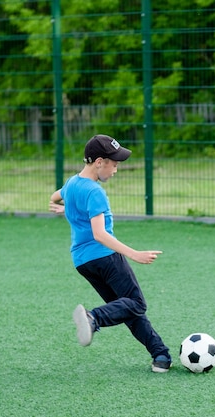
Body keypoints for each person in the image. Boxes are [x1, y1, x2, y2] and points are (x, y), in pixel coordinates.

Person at [49, 134, 171, 373]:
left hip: (83, 262)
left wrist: (66, 209)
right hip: (105, 257)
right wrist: (135, 254)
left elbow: (54, 197)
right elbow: (100, 234)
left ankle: (161, 356)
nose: (115, 169)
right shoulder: (95, 192)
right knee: (136, 303)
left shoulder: (72, 183)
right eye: (113, 164)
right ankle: (93, 318)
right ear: (99, 162)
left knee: (126, 307)